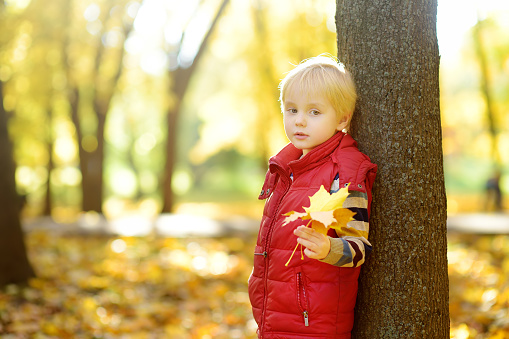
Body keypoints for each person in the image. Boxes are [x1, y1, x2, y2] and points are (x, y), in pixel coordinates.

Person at [248, 55, 377, 338]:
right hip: (274, 316)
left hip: (314, 323)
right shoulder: (285, 167)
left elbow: (359, 247)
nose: (300, 121)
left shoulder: (344, 172)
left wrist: (328, 248)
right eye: (292, 110)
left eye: (314, 112)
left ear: (342, 118)